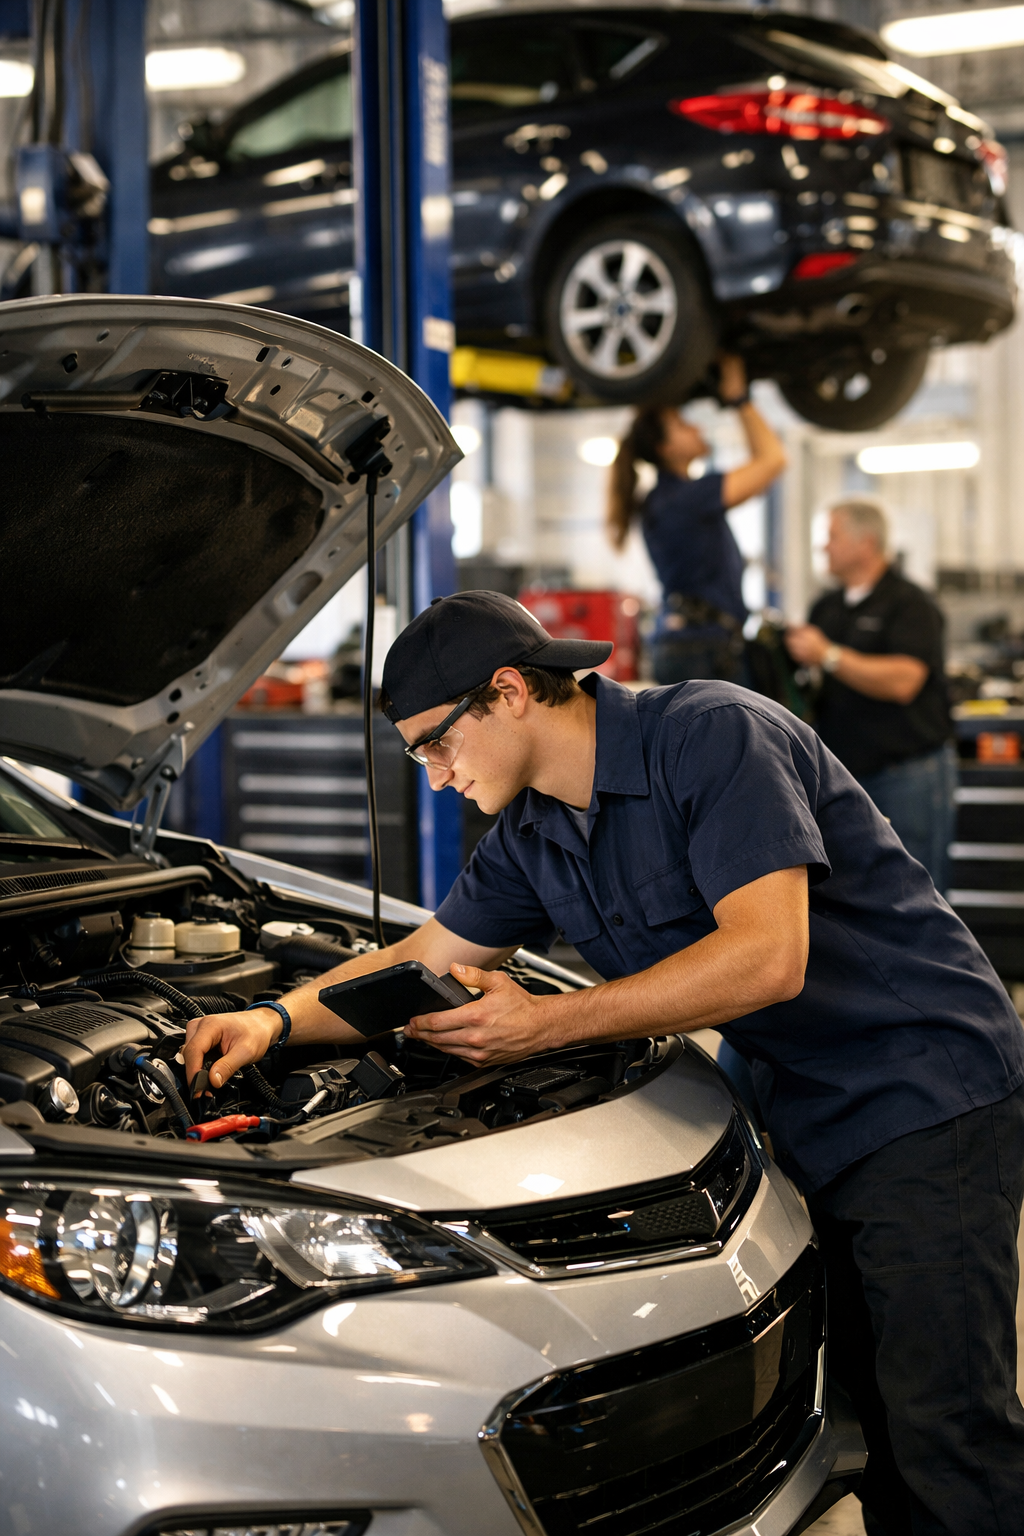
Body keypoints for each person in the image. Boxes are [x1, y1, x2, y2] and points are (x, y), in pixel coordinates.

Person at [185, 592, 1024, 1536]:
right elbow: (419, 959)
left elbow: (767, 958)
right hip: (796, 1099)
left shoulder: (714, 737)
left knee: (946, 1420)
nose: (433, 778)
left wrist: (545, 1027)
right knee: (863, 1405)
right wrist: (272, 1018)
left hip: (918, 1083)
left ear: (506, 694)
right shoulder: (532, 835)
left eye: (433, 746)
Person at [785, 499, 955, 890]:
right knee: (857, 894)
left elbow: (904, 681)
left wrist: (827, 655)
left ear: (866, 542)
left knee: (915, 892)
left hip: (906, 775)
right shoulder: (826, 607)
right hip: (843, 776)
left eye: (832, 536)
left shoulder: (911, 603)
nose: (823, 547)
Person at [607, 354, 787, 685]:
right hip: (703, 649)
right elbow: (772, 459)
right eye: (682, 425)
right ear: (666, 448)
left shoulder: (671, 499)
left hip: (693, 645)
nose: (697, 428)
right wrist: (738, 399)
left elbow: (764, 470)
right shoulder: (684, 499)